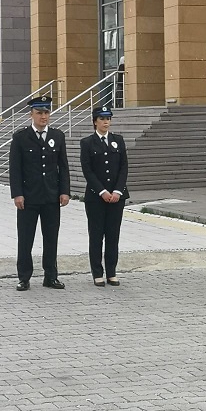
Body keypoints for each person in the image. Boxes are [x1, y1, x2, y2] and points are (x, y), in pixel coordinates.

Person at [9, 95, 71, 292]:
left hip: (51, 196)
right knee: (26, 238)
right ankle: (24, 277)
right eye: (39, 113)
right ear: (31, 115)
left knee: (51, 237)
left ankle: (50, 276)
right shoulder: (20, 137)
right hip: (28, 197)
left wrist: (64, 191)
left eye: (46, 112)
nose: (44, 116)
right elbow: (15, 169)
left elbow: (63, 166)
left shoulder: (57, 136)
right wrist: (17, 194)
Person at [80, 106, 129, 287]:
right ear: (95, 121)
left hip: (117, 197)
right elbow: (88, 170)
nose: (106, 122)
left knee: (113, 235)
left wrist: (117, 191)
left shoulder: (118, 140)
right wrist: (102, 191)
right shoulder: (87, 143)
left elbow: (123, 168)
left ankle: (112, 272)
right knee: (96, 234)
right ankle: (97, 273)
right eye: (102, 119)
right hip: (96, 197)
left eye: (108, 118)